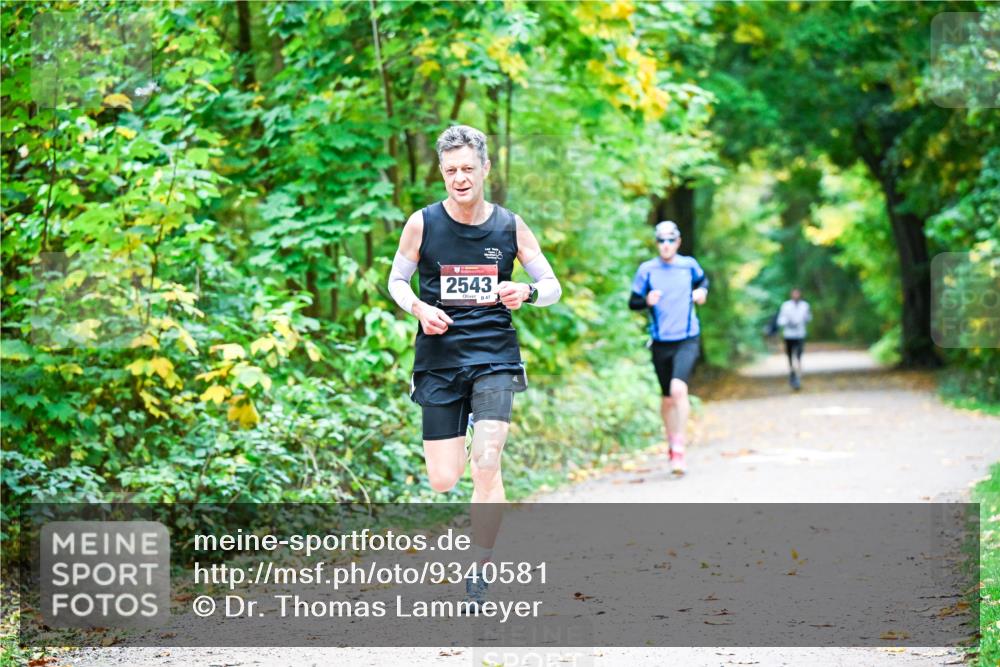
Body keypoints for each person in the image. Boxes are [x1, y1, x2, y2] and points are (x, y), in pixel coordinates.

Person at [387, 124, 561, 609]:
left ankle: (480, 571)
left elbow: (552, 285)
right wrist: (419, 308)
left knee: (487, 459)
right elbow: (397, 281)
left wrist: (525, 291)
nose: (460, 178)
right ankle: (471, 450)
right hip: (440, 360)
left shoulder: (509, 225)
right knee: (444, 478)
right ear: (442, 174)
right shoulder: (422, 223)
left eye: (468, 168)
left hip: (493, 354)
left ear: (486, 168)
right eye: (450, 171)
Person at [628, 220, 708, 475]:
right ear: (656, 243)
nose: (666, 245)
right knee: (666, 399)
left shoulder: (689, 266)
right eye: (661, 241)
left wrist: (701, 293)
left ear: (678, 242)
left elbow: (704, 282)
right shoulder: (647, 270)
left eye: (670, 240)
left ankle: (680, 446)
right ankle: (671, 441)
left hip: (687, 337)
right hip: (661, 341)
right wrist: (646, 301)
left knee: (678, 390)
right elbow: (633, 301)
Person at [777, 288, 811, 390]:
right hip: (789, 334)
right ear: (791, 295)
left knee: (799, 353)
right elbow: (780, 320)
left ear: (800, 295)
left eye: (797, 294)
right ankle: (792, 371)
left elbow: (808, 318)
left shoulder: (805, 305)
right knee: (790, 354)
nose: (796, 295)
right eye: (794, 294)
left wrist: (804, 320)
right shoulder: (786, 305)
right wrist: (787, 322)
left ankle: (798, 371)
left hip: (800, 334)